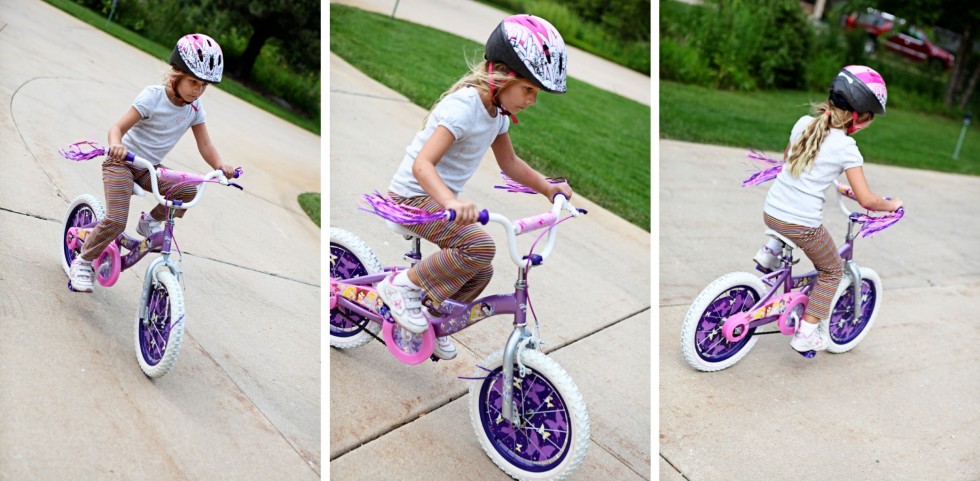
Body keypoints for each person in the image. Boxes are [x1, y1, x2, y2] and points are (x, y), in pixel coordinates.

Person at [375, 15, 573, 360]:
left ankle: (434, 318)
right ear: (502, 74)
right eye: (528, 90)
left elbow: (510, 164)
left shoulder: (496, 115)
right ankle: (401, 286)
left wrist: (549, 189)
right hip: (409, 199)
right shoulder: (464, 107)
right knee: (479, 245)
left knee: (483, 267)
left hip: (435, 201)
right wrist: (450, 200)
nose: (532, 101)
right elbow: (423, 165)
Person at [68, 33, 236, 292]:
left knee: (190, 187)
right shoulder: (153, 97)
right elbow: (117, 127)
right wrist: (116, 145)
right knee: (115, 221)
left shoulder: (194, 108)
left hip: (150, 168)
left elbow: (205, 145)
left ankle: (150, 221)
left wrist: (220, 166)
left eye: (204, 85)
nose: (198, 90)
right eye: (193, 82)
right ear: (176, 74)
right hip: (122, 163)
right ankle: (84, 260)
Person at [755, 65, 903, 353]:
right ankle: (807, 332)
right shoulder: (847, 147)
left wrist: (832, 181)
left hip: (771, 211)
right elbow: (868, 200)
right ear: (860, 116)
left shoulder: (803, 123)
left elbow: (791, 161)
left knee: (786, 222)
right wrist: (891, 204)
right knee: (832, 270)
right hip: (801, 224)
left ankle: (770, 251)